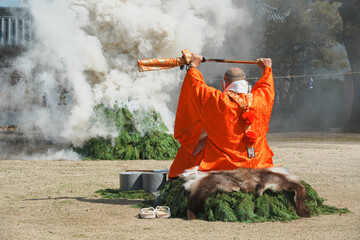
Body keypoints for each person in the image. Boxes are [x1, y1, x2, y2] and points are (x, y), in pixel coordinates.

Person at [168, 53, 274, 179]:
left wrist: (193, 66)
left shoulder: (218, 100)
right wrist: (267, 68)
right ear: (245, 83)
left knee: (194, 146)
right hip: (258, 163)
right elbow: (267, 86)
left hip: (225, 164)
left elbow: (196, 87)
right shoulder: (260, 99)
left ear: (224, 84)